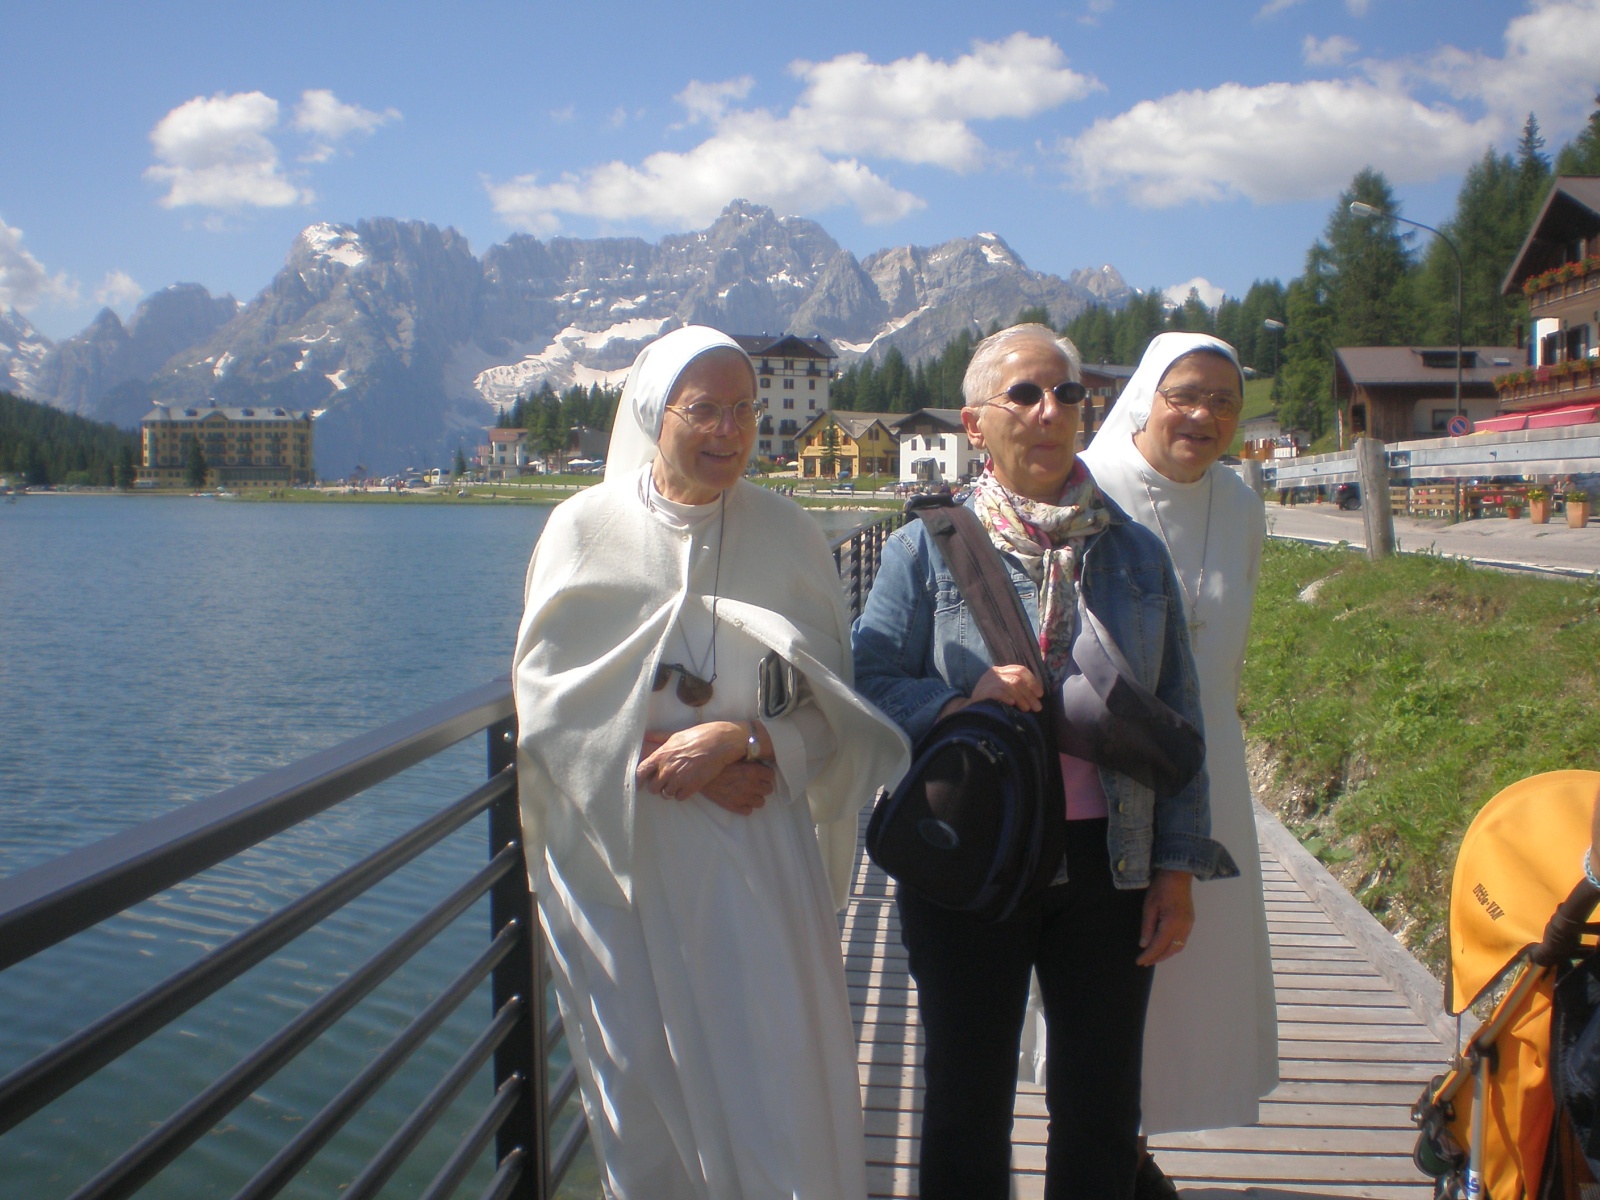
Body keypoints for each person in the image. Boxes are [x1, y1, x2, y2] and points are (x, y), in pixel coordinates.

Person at [512, 325, 909, 1200]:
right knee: (644, 1091)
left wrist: (749, 743)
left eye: (745, 410)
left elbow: (832, 711)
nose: (730, 431)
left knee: (776, 1083)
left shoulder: (788, 534)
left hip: (756, 852)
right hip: (625, 864)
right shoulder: (582, 530)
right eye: (704, 411)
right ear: (654, 414)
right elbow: (545, 709)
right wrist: (667, 755)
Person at [852, 323, 1237, 1200]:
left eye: (1067, 393)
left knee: (1101, 1107)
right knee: (964, 1103)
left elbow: (1179, 718)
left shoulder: (1132, 552)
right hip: (971, 861)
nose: (1050, 410)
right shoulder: (925, 547)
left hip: (1111, 863)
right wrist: (955, 702)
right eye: (1024, 394)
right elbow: (867, 677)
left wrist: (1176, 868)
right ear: (975, 423)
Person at [1080, 331, 1280, 1195]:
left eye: (1223, 402)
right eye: (1185, 395)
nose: (1203, 415)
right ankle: (1109, 1146)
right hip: (1108, 763)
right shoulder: (1092, 487)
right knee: (1108, 960)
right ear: (1147, 398)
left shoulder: (1239, 503)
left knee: (1191, 967)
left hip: (1210, 764)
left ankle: (1134, 1139)